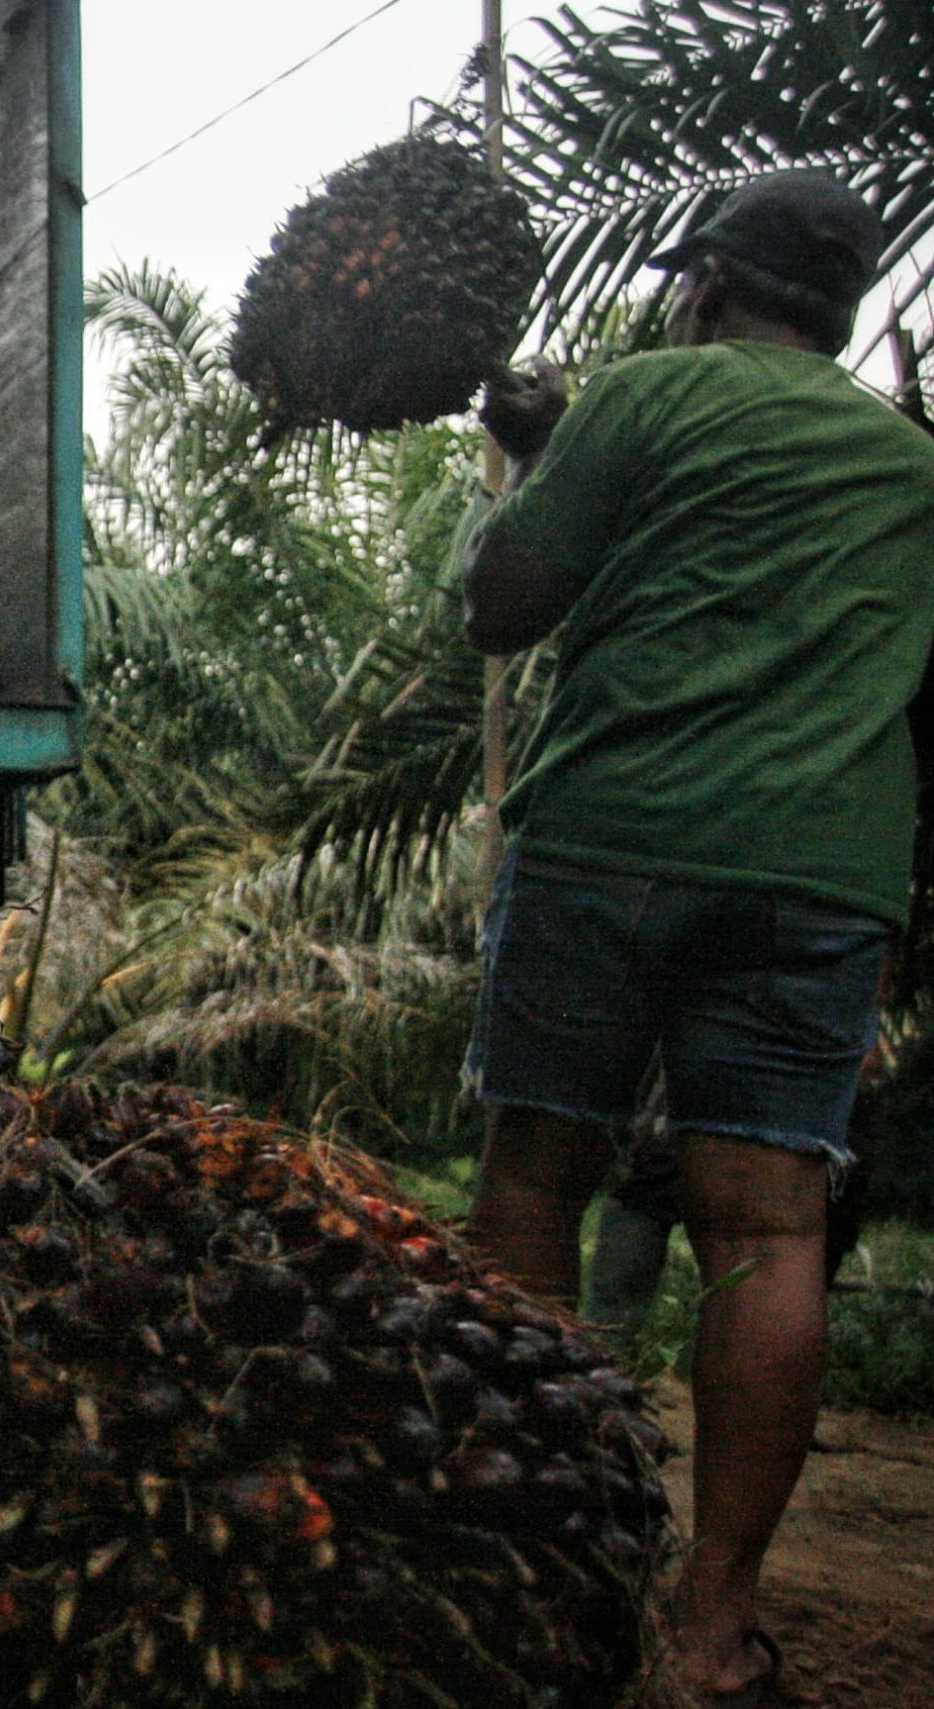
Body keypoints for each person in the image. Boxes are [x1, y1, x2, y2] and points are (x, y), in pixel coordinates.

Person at [456, 169, 934, 1708]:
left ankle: (538, 1567)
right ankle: (713, 1628)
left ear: (712, 288)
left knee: (538, 1171)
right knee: (769, 1231)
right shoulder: (911, 464)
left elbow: (504, 603)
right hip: (817, 873)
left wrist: (530, 466)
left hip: (610, 841)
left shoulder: (651, 395)